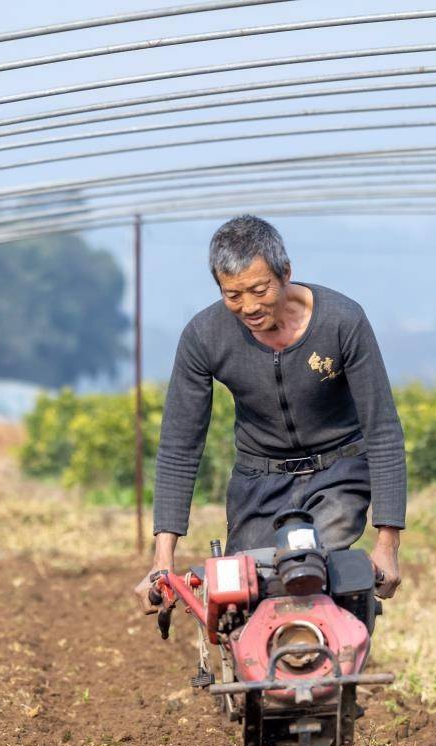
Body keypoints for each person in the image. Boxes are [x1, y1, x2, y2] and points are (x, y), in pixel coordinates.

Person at [132, 215, 406, 606]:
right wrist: (163, 560)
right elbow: (180, 446)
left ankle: (335, 658)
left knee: (312, 574)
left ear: (286, 273)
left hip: (338, 475)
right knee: (241, 596)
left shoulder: (343, 321)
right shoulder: (204, 336)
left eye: (259, 289)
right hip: (258, 484)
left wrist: (388, 542)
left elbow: (382, 430)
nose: (248, 307)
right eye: (233, 295)